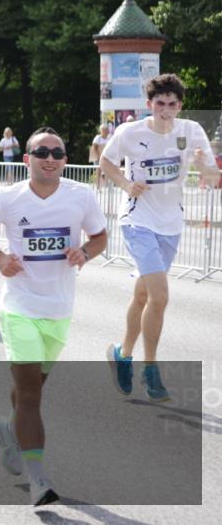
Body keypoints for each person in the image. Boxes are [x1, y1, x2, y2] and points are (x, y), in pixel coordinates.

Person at [0, 127, 107, 507]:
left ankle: (10, 429)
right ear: (26, 158)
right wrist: (0, 258)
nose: (50, 157)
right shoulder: (9, 197)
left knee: (32, 388)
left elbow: (99, 237)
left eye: (58, 152)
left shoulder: (81, 196)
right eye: (42, 151)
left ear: (65, 160)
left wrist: (85, 253)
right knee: (30, 394)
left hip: (59, 310)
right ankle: (38, 479)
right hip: (19, 307)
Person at [101, 74, 220, 401]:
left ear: (179, 105)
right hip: (137, 219)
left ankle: (121, 354)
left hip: (171, 223)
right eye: (160, 103)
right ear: (149, 104)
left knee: (143, 296)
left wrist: (201, 167)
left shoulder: (191, 131)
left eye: (172, 104)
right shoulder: (131, 132)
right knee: (160, 295)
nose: (166, 109)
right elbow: (106, 162)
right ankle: (150, 370)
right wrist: (126, 185)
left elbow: (213, 176)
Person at [90, 124, 111, 188]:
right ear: (101, 131)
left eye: (107, 130)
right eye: (105, 130)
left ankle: (105, 186)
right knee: (98, 172)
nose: (107, 131)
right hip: (98, 158)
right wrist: (97, 157)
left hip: (106, 158)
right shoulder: (97, 138)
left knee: (107, 172)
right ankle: (98, 187)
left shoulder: (109, 138)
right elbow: (94, 147)